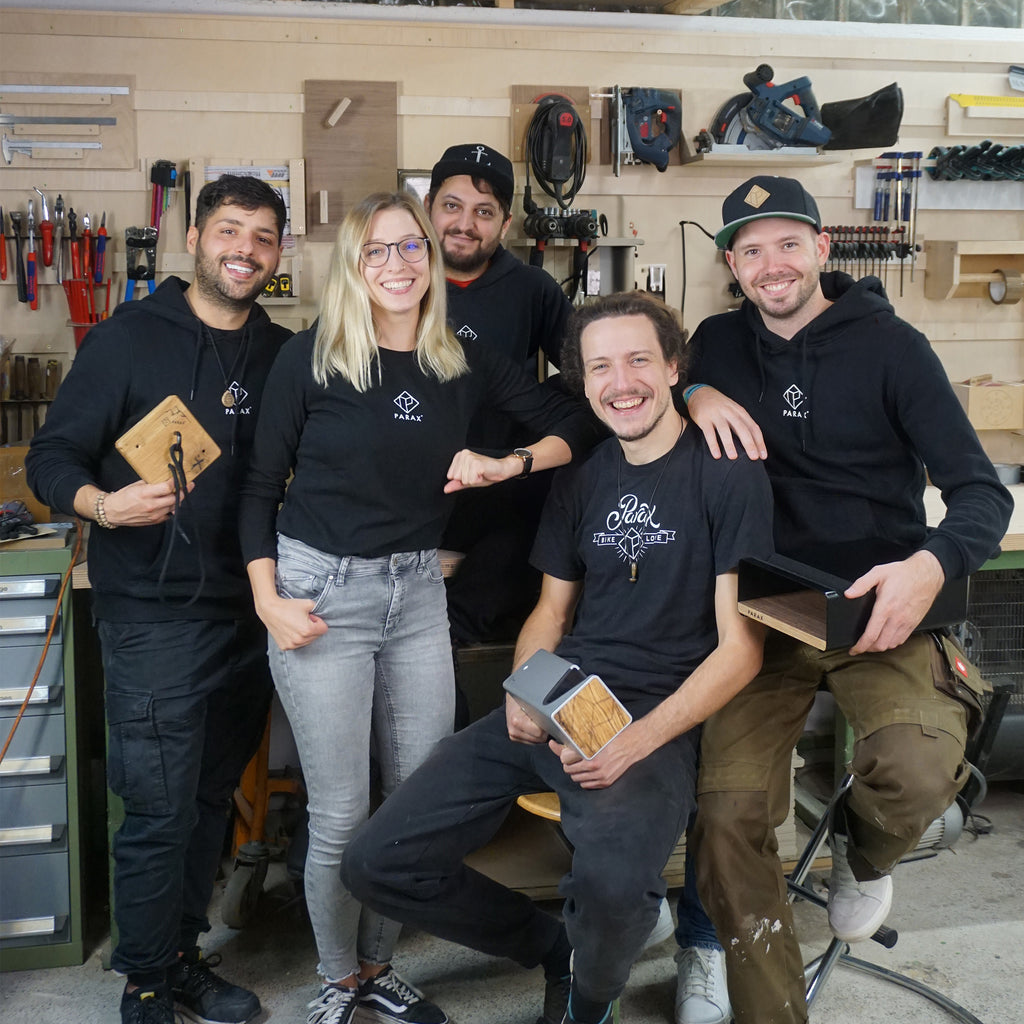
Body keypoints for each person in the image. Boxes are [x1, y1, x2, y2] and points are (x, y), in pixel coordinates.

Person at [341, 291, 775, 1024]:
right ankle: (550, 947)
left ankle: (590, 999)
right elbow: (551, 612)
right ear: (582, 381)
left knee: (610, 888)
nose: (622, 382)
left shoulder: (728, 475)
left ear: (674, 367)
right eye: (601, 366)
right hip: (565, 696)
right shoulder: (582, 477)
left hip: (661, 721)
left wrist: (635, 741)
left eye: (639, 359)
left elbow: (742, 651)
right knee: (376, 861)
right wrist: (522, 689)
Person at [238, 190, 591, 1024]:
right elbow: (257, 489)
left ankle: (378, 966)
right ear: (353, 267)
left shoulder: (458, 356)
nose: (397, 266)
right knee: (342, 811)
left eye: (411, 249)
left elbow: (575, 422)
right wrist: (267, 602)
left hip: (417, 594)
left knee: (417, 804)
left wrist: (507, 465)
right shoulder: (312, 358)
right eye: (377, 252)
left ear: (431, 259)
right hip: (319, 591)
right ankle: (337, 982)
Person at [679, 175, 1014, 1024]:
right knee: (726, 817)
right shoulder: (717, 342)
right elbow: (653, 374)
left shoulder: (894, 348)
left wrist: (930, 566)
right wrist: (695, 391)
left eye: (788, 242)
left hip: (880, 606)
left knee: (914, 771)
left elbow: (981, 493)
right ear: (731, 264)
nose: (771, 264)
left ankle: (863, 861)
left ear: (823, 248)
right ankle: (756, 989)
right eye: (750, 250)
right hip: (760, 609)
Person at [26, 175, 292, 1024]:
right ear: (194, 239)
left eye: (261, 236)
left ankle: (181, 959)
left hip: (246, 611)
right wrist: (104, 505)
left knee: (211, 801)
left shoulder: (284, 352)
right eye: (228, 230)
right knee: (160, 807)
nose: (243, 249)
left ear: (278, 253)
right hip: (150, 612)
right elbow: (51, 459)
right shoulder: (127, 340)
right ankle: (144, 983)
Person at [425, 143, 577, 646]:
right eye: (452, 205)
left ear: (505, 224)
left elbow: (590, 377)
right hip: (413, 494)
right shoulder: (396, 279)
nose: (465, 223)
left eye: (483, 212)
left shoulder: (532, 289)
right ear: (428, 208)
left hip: (501, 489)